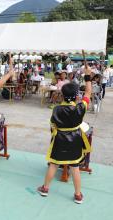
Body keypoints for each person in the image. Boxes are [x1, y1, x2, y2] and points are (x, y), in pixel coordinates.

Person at [37, 65, 92, 204]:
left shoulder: (56, 109)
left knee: (54, 165)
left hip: (60, 139)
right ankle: (78, 195)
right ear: (76, 96)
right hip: (75, 139)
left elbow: (53, 126)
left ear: (62, 94)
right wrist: (87, 76)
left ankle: (45, 189)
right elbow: (88, 93)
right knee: (75, 168)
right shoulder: (80, 107)